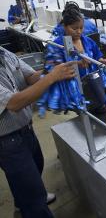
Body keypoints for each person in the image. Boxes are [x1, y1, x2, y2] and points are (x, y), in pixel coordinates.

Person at [0, 47, 77, 218]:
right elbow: (14, 103)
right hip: (6, 140)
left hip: (25, 128)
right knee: (32, 196)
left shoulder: (5, 53)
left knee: (35, 166)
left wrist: (54, 68)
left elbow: (31, 76)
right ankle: (32, 204)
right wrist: (52, 77)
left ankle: (22, 202)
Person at [47, 5, 106, 78]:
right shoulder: (56, 46)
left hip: (92, 83)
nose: (79, 31)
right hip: (71, 85)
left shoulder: (88, 41)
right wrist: (77, 64)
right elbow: (51, 72)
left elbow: (97, 56)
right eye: (74, 28)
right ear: (64, 26)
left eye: (81, 28)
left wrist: (102, 61)